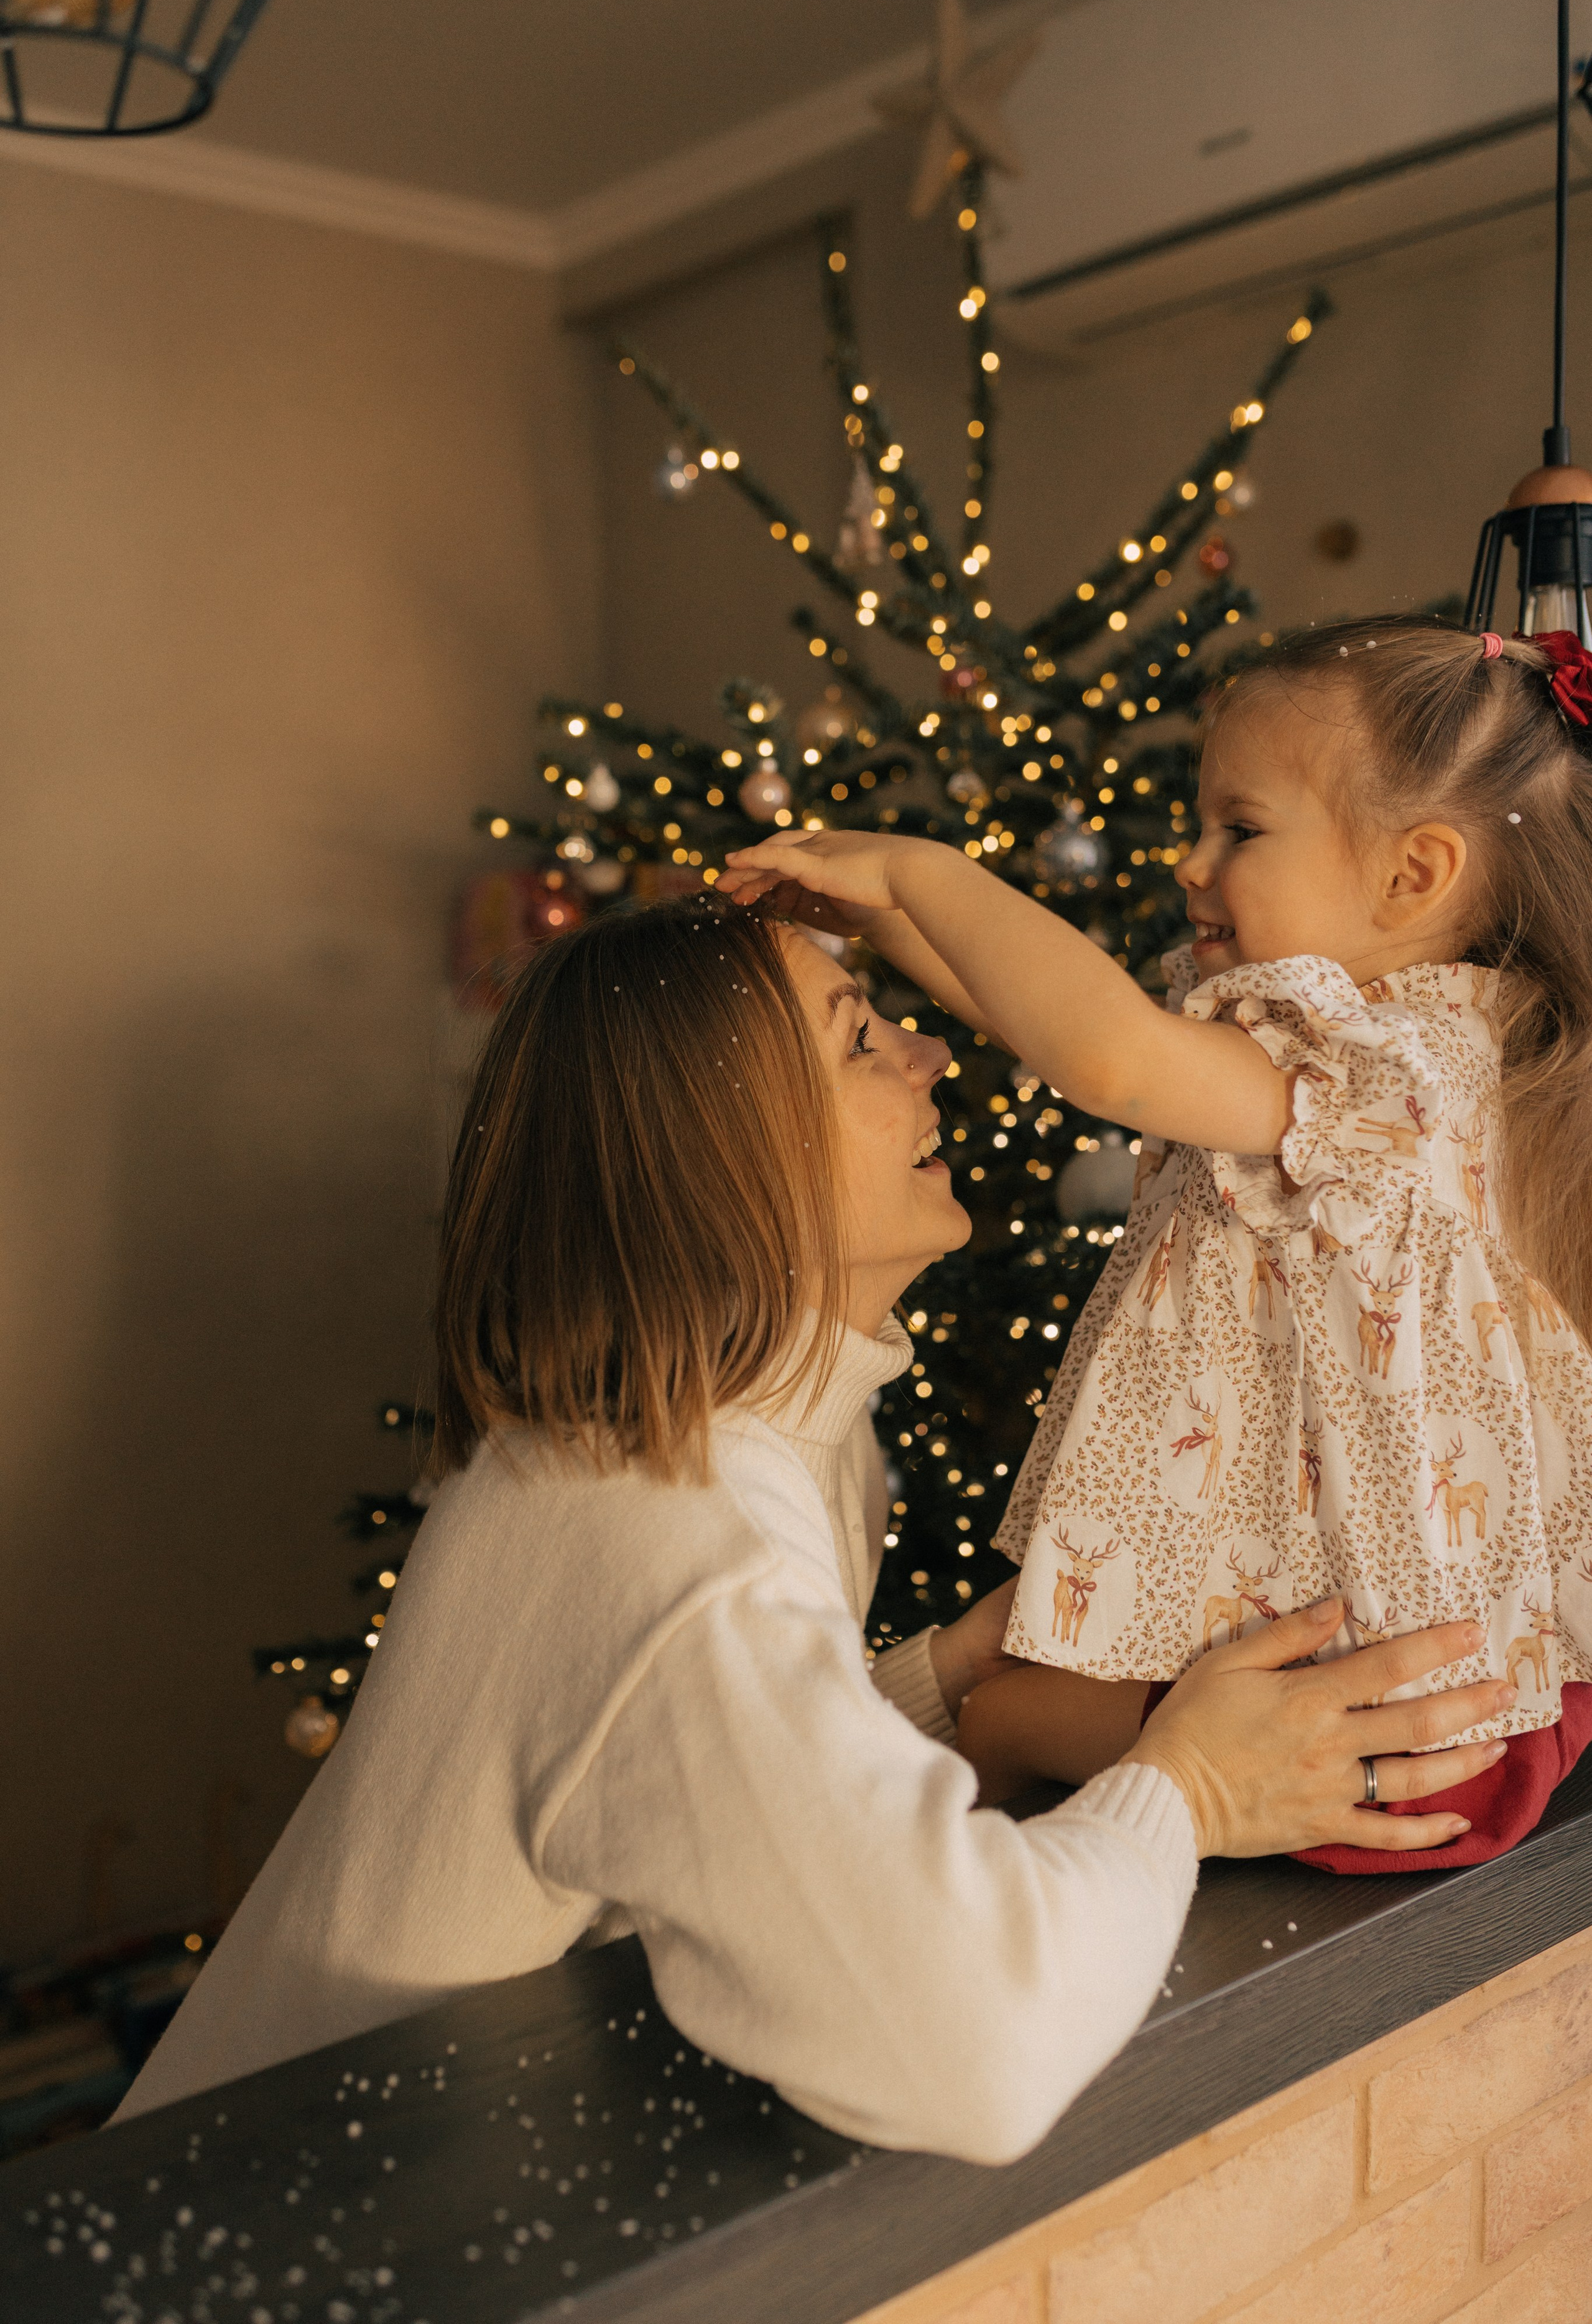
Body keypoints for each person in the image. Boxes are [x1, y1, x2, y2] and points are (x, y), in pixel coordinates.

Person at [112, 893, 1509, 2162]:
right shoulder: (670, 1518)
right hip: (278, 2226)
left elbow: (662, 1792)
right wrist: (1186, 1794)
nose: (929, 1059)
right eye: (856, 1039)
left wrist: (941, 1676)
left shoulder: (722, 1437)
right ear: (710, 1146)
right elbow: (972, 2046)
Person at [721, 618, 1592, 1874]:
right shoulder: (1427, 1036)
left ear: (1413, 876)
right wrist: (880, 926)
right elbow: (1069, 1027)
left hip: (1385, 1709)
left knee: (1012, 1713)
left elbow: (1106, 1053)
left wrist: (920, 875)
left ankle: (976, 1751)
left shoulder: (1388, 1065)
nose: (1190, 863)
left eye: (1239, 830)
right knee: (1033, 1694)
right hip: (1429, 1673)